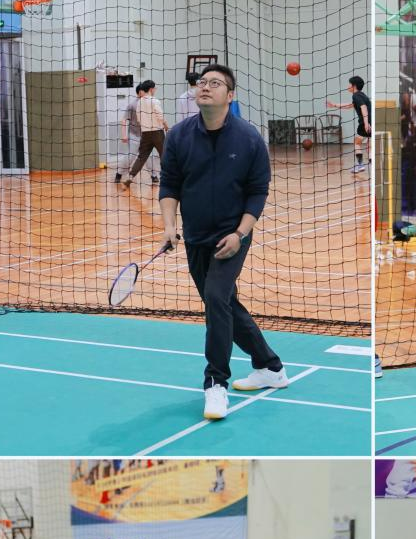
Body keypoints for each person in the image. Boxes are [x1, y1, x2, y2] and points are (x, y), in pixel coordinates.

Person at [159, 63, 289, 421]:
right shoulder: (179, 136)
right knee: (224, 303)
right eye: (202, 82)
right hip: (195, 236)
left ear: (230, 96)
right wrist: (169, 226)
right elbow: (169, 184)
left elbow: (257, 191)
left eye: (215, 83)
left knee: (216, 298)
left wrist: (240, 233)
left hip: (233, 236)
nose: (205, 87)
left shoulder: (249, 138)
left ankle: (216, 383)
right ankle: (270, 367)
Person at [121, 80, 168, 189]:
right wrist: (166, 126)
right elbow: (160, 116)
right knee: (164, 155)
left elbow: (139, 119)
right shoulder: (155, 101)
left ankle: (130, 177)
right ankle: (167, 179)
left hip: (145, 133)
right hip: (157, 132)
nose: (155, 90)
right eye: (155, 88)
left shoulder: (139, 102)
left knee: (141, 157)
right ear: (151, 89)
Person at [115, 84, 159, 185]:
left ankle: (154, 176)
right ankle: (119, 173)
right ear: (140, 92)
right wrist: (124, 135)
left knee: (149, 156)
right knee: (130, 156)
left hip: (146, 136)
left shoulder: (150, 103)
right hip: (134, 135)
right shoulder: (132, 105)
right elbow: (124, 120)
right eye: (145, 91)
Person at [327, 76, 371, 172]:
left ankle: (360, 165)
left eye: (349, 84)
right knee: (369, 145)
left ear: (354, 86)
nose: (348, 86)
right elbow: (350, 106)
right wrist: (334, 105)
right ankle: (370, 164)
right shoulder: (361, 95)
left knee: (357, 142)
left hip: (366, 123)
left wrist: (366, 123)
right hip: (371, 122)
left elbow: (363, 107)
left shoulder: (356, 95)